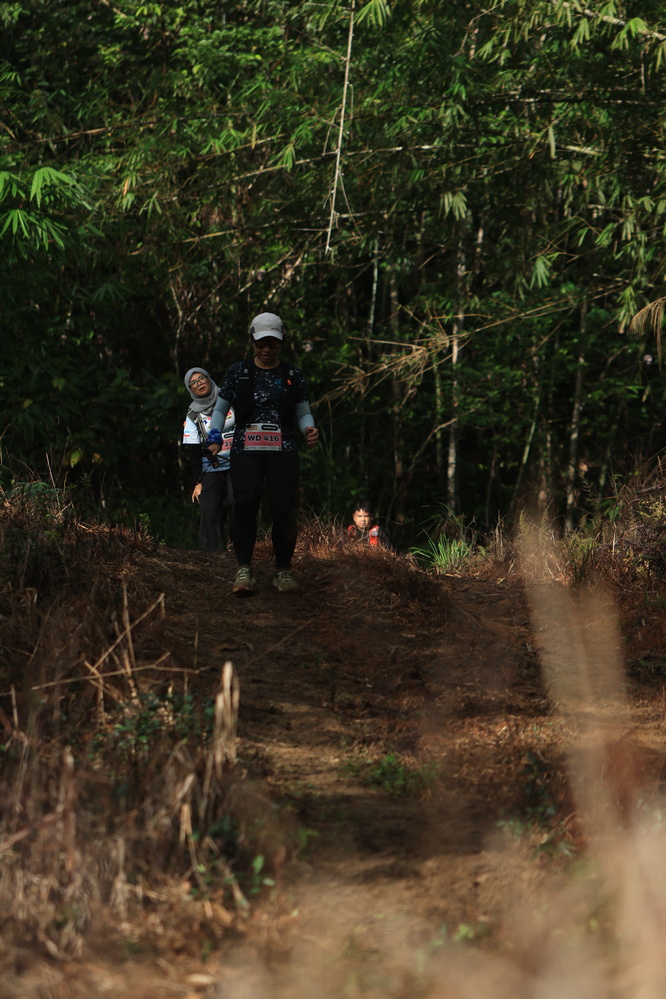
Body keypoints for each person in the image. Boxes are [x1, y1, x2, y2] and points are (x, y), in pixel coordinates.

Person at [206, 312, 319, 595]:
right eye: (261, 344)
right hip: (245, 449)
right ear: (252, 341)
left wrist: (309, 429)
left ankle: (283, 570)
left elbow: (303, 412)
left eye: (273, 344)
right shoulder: (238, 371)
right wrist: (215, 438)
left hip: (283, 449)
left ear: (281, 342)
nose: (267, 349)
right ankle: (244, 568)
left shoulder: (292, 375)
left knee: (283, 509)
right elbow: (220, 410)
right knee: (244, 504)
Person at [182, 367, 235, 552]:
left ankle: (239, 547)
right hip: (211, 467)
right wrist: (198, 481)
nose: (199, 383)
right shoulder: (192, 414)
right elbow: (193, 450)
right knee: (210, 511)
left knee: (238, 502)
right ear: (190, 389)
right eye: (193, 382)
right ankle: (212, 555)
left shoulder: (230, 400)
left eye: (201, 378)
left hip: (237, 463)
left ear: (209, 378)